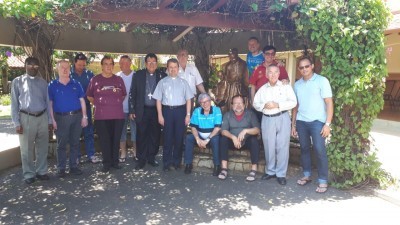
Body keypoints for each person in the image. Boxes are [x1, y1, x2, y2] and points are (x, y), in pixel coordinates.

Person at [291, 56, 333, 193]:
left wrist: (327, 124)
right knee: (304, 148)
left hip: (317, 122)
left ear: (312, 66)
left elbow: (329, 103)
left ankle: (323, 180)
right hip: (301, 121)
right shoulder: (297, 85)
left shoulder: (322, 81)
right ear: (299, 69)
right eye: (301, 67)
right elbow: (295, 107)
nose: (304, 69)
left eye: (307, 66)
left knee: (319, 150)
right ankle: (307, 174)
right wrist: (293, 125)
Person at [11, 57, 52, 184]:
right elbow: (14, 104)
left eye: (35, 65)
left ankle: (41, 171)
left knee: (42, 147)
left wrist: (49, 121)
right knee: (26, 148)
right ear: (25, 66)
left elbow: (48, 102)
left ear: (38, 67)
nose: (33, 67)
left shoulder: (43, 83)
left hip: (42, 117)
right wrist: (17, 123)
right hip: (26, 117)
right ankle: (28, 174)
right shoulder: (17, 82)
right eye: (30, 65)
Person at [253, 65, 297, 185]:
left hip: (282, 117)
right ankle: (270, 171)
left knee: (282, 146)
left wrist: (278, 105)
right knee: (268, 145)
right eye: (270, 73)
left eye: (275, 72)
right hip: (267, 119)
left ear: (279, 74)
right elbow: (255, 103)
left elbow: (293, 101)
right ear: (266, 75)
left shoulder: (286, 87)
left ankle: (281, 173)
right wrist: (263, 106)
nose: (273, 75)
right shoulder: (262, 89)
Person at [86, 56, 126, 173]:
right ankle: (106, 163)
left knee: (115, 140)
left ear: (113, 66)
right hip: (101, 117)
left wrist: (114, 103)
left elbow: (123, 95)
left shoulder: (118, 80)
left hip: (117, 116)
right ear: (102, 66)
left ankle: (115, 162)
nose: (108, 66)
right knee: (104, 140)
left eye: (110, 64)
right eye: (106, 64)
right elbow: (89, 96)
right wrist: (99, 104)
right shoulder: (95, 80)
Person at [48, 60, 88, 178]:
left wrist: (84, 117)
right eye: (62, 67)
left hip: (76, 117)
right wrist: (52, 120)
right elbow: (50, 103)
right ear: (57, 69)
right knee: (61, 144)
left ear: (70, 69)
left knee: (75, 143)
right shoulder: (52, 85)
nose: (65, 70)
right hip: (60, 118)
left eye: (67, 67)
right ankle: (61, 168)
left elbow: (82, 101)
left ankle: (73, 166)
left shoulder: (76, 84)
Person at [153, 58, 193, 172]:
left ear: (178, 68)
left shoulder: (183, 82)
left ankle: (176, 162)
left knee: (179, 137)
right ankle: (166, 162)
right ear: (167, 68)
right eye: (170, 67)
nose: (173, 69)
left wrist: (188, 114)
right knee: (167, 137)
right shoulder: (163, 82)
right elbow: (158, 100)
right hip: (167, 112)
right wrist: (160, 115)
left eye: (175, 67)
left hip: (180, 112)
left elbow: (189, 100)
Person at [129, 53, 167, 170]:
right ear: (145, 63)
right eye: (149, 62)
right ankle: (141, 159)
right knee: (141, 135)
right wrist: (132, 109)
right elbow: (132, 93)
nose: (151, 64)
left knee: (155, 134)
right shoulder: (138, 75)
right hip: (142, 110)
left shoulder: (162, 75)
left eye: (154, 62)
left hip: (156, 110)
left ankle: (151, 157)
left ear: (157, 63)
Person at [218, 95, 260, 182]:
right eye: (236, 103)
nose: (238, 105)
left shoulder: (250, 114)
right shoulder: (228, 115)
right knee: (223, 140)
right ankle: (224, 169)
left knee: (254, 140)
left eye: (240, 103)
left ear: (244, 105)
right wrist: (233, 137)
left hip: (246, 141)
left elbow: (257, 130)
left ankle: (253, 169)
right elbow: (223, 131)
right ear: (232, 105)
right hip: (233, 141)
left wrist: (245, 131)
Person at [70, 53, 101, 164]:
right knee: (75, 133)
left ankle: (91, 155)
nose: (81, 67)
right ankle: (77, 156)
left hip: (87, 107)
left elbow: (95, 90)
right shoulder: (69, 74)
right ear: (75, 63)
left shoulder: (89, 74)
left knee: (88, 132)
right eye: (79, 65)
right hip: (73, 109)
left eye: (83, 65)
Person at [183, 93, 222, 175]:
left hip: (212, 136)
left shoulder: (217, 110)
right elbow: (193, 127)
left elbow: (217, 128)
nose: (205, 104)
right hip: (200, 135)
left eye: (207, 101)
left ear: (210, 101)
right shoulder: (197, 111)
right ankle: (188, 164)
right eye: (202, 102)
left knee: (216, 140)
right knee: (189, 138)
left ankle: (217, 166)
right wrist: (197, 139)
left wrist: (207, 140)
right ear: (200, 103)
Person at [116, 55, 136, 163]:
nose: (122, 65)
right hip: (120, 109)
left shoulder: (136, 76)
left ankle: (135, 152)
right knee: (121, 132)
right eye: (121, 63)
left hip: (133, 110)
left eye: (125, 62)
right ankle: (123, 152)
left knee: (135, 131)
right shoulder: (117, 76)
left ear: (130, 63)